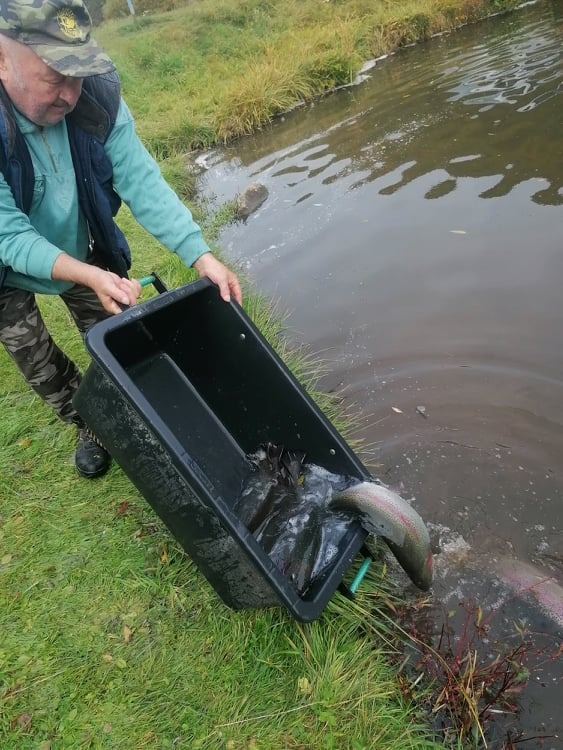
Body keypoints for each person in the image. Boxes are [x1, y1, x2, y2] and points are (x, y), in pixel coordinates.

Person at [0, 0, 242, 479]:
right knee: (35, 357)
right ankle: (84, 419)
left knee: (108, 334)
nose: (71, 93)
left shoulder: (97, 98)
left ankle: (114, 405)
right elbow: (8, 234)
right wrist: (88, 274)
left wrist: (200, 254)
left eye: (80, 74)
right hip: (6, 263)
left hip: (78, 240)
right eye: (55, 77)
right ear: (3, 60)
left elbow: (142, 180)